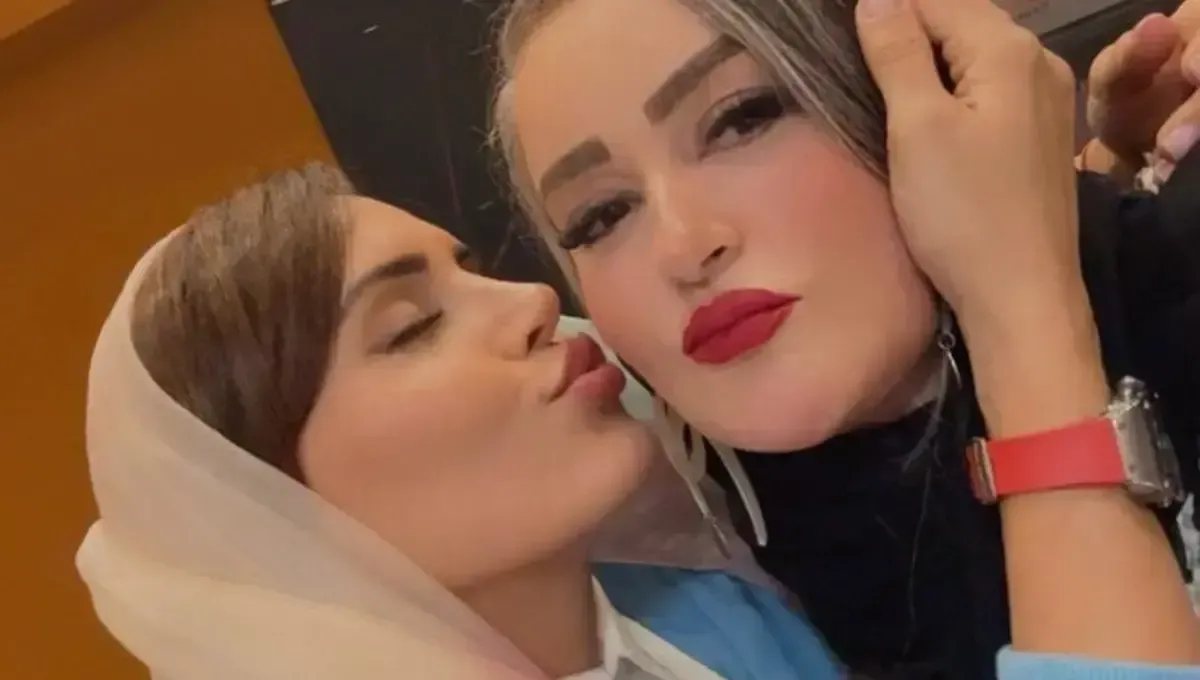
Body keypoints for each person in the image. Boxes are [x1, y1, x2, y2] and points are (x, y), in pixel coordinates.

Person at [78, 162, 1200, 679]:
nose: (532, 300)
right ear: (270, 512)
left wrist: (1090, 209)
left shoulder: (712, 599)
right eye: (410, 327)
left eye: (474, 268)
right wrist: (1024, 298)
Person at [491, 0, 1200, 677]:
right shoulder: (705, 577)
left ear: (914, 89)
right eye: (601, 216)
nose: (682, 247)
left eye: (740, 120)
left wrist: (1020, 299)